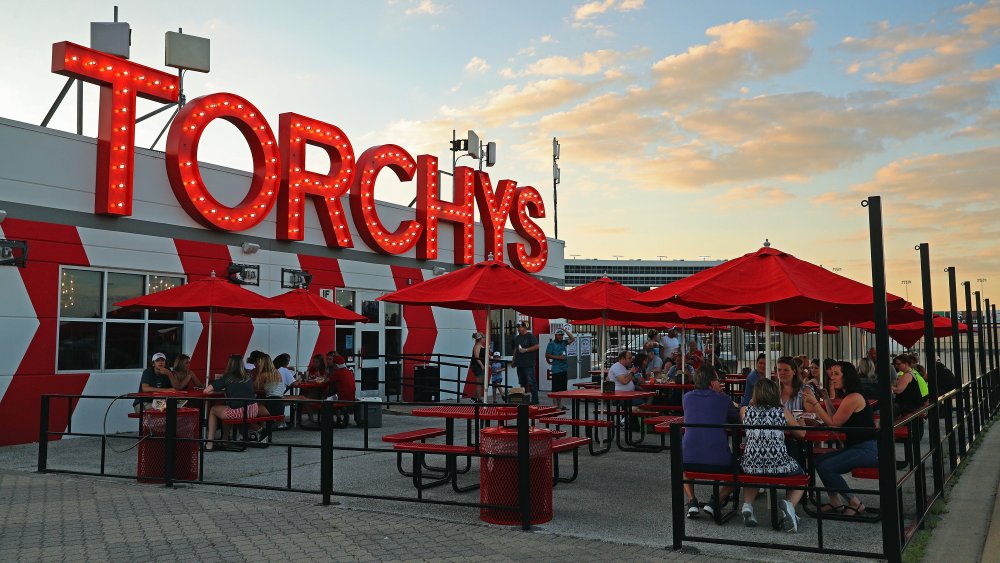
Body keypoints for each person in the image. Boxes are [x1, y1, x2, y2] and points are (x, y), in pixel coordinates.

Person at [803, 361, 877, 516]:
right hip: (858, 447)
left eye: (836, 374)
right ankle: (835, 502)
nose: (832, 378)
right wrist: (826, 400)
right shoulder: (850, 396)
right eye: (832, 374)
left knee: (827, 466)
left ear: (847, 377)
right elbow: (836, 418)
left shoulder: (854, 397)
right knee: (819, 461)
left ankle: (855, 503)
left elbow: (834, 424)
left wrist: (816, 404)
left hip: (867, 449)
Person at [739, 378, 806, 532]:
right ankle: (789, 505)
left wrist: (751, 402)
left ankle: (748, 505)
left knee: (753, 470)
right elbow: (801, 434)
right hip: (777, 464)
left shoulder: (745, 411)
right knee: (802, 476)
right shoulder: (782, 411)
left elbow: (746, 423)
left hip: (751, 463)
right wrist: (801, 420)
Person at [682, 366, 740, 518]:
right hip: (718, 460)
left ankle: (692, 501)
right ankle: (715, 502)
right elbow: (735, 419)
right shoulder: (723, 398)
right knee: (741, 471)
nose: (720, 383)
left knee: (684, 470)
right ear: (711, 383)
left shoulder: (687, 397)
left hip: (689, 459)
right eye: (717, 380)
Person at [204, 355, 259, 451]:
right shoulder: (248, 376)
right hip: (253, 410)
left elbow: (206, 391)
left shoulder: (227, 377)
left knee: (213, 410)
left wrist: (221, 391)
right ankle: (225, 439)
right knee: (226, 409)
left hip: (239, 412)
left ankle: (209, 443)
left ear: (229, 364)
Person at [545, 329, 575, 409]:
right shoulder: (551, 344)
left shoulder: (564, 342)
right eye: (559, 335)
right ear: (556, 335)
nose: (561, 336)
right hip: (556, 369)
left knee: (561, 389)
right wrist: (558, 357)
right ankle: (554, 405)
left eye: (562, 335)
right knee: (555, 388)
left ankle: (560, 404)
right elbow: (547, 355)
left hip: (564, 368)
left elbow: (572, 338)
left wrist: (565, 330)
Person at [512, 321, 540, 404]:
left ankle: (535, 400)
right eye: (517, 327)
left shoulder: (530, 336)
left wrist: (526, 350)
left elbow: (537, 346)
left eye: (519, 327)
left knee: (531, 382)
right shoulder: (517, 338)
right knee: (522, 382)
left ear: (524, 327)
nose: (518, 329)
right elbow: (515, 349)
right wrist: (513, 360)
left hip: (528, 364)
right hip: (519, 363)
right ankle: (524, 399)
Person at [327, 354, 356, 427]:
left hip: (342, 398)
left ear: (336, 365)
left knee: (327, 399)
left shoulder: (338, 373)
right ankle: (343, 417)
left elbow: (327, 380)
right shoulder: (349, 371)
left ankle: (336, 419)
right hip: (351, 397)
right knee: (333, 395)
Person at [252, 353, 282, 419]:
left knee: (248, 409)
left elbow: (253, 388)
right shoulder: (277, 372)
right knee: (259, 401)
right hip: (280, 404)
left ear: (262, 363)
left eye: (257, 362)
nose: (255, 364)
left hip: (271, 405)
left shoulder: (264, 375)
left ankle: (259, 426)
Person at [469, 332, 487, 401]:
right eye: (484, 338)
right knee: (479, 383)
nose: (485, 339)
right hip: (477, 366)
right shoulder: (477, 346)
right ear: (480, 339)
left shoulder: (481, 346)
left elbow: (483, 357)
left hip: (480, 365)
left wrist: (486, 364)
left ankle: (474, 397)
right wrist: (482, 365)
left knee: (481, 382)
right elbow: (476, 357)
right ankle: (479, 399)